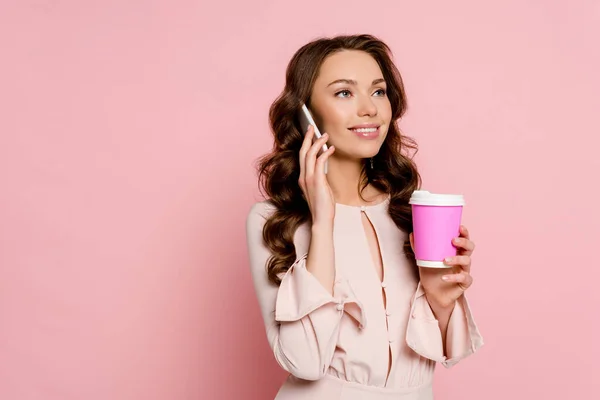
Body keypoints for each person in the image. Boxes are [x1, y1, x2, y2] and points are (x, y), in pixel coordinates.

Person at [245, 34, 484, 400]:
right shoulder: (273, 221)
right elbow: (305, 363)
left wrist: (439, 298)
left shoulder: (408, 211)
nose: (370, 109)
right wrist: (323, 222)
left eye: (378, 91)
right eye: (344, 93)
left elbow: (442, 354)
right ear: (305, 112)